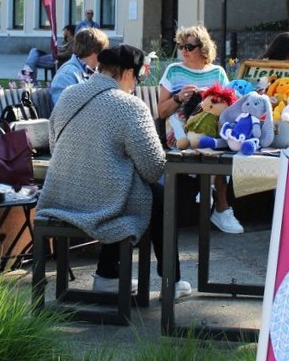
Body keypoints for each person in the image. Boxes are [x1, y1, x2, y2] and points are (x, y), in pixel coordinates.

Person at [37, 44, 191, 299]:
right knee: (156, 195)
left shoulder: (69, 95)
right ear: (129, 73)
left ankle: (108, 275)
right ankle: (170, 282)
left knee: (122, 188)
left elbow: (55, 144)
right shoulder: (130, 106)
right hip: (100, 202)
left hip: (59, 196)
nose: (137, 84)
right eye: (139, 78)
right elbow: (153, 168)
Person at [157, 25, 240, 234]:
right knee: (200, 136)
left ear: (202, 48)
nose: (184, 51)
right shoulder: (173, 71)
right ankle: (217, 201)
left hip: (210, 127)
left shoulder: (218, 72)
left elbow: (229, 107)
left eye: (190, 46)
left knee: (219, 134)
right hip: (180, 130)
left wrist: (209, 97)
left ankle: (217, 202)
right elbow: (161, 110)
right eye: (181, 46)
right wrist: (179, 97)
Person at [49, 27, 109, 105]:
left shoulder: (96, 72)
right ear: (94, 50)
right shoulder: (67, 75)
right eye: (104, 50)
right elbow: (63, 111)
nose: (106, 55)